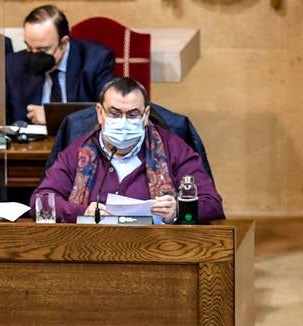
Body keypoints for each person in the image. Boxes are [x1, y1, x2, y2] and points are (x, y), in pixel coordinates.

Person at [35, 76, 224, 223]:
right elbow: (41, 200)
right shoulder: (79, 152)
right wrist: (82, 212)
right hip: (90, 250)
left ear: (145, 115)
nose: (123, 122)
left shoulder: (173, 148)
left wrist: (179, 210)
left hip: (159, 251)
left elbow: (212, 204)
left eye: (133, 115)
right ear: (100, 113)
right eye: (115, 114)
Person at [6, 4, 113, 125]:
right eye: (30, 48)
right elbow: (0, 115)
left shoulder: (95, 60)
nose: (34, 56)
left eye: (43, 50)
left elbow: (108, 111)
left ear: (63, 43)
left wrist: (54, 117)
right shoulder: (14, 64)